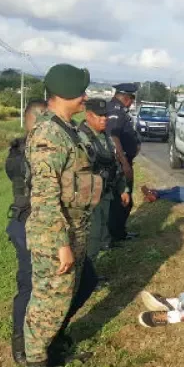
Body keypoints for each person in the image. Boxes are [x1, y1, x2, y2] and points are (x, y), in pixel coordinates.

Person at [24, 63, 103, 367]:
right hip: (55, 235)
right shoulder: (48, 137)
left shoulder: (66, 128)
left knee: (67, 295)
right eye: (80, 91)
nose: (85, 96)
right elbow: (44, 197)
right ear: (63, 95)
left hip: (75, 227)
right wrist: (60, 245)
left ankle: (52, 351)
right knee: (47, 304)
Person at [5, 99, 47, 365]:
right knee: (29, 285)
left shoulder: (34, 149)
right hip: (26, 225)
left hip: (38, 226)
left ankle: (44, 337)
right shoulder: (23, 154)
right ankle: (20, 344)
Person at [80, 98, 130, 261]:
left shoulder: (106, 138)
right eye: (100, 116)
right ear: (88, 115)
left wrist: (124, 189)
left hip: (105, 194)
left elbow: (114, 165)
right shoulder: (80, 138)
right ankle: (86, 279)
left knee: (100, 231)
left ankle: (91, 275)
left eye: (106, 116)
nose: (104, 119)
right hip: (88, 198)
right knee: (90, 238)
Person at [106, 83, 140, 244]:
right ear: (126, 98)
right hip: (119, 164)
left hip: (123, 161)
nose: (132, 102)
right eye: (132, 99)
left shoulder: (118, 110)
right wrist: (124, 163)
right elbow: (114, 137)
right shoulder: (116, 112)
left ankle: (118, 233)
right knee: (122, 200)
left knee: (123, 201)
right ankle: (115, 236)